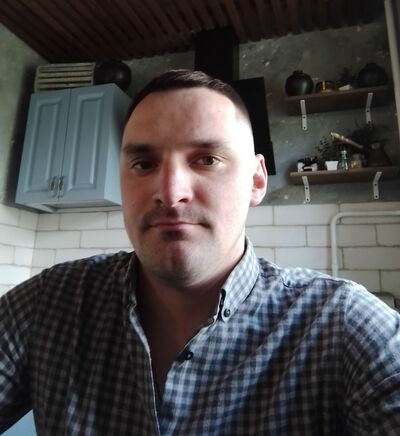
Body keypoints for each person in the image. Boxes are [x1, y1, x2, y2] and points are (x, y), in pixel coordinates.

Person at [1, 69, 399, 435]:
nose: (171, 193)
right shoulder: (51, 302)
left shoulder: (340, 322)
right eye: (143, 163)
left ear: (256, 180)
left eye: (207, 159)